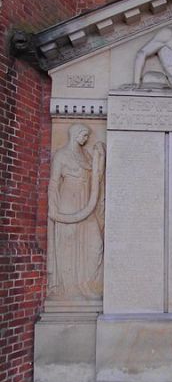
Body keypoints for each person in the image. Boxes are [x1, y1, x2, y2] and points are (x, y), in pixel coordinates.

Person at [47, 123, 105, 301]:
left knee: (96, 244)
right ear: (74, 134)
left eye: (88, 136)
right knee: (69, 243)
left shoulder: (87, 155)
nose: (86, 138)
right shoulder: (61, 155)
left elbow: (97, 178)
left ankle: (87, 284)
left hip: (87, 202)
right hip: (68, 203)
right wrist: (54, 209)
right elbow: (54, 183)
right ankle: (71, 288)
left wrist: (100, 156)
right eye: (83, 135)